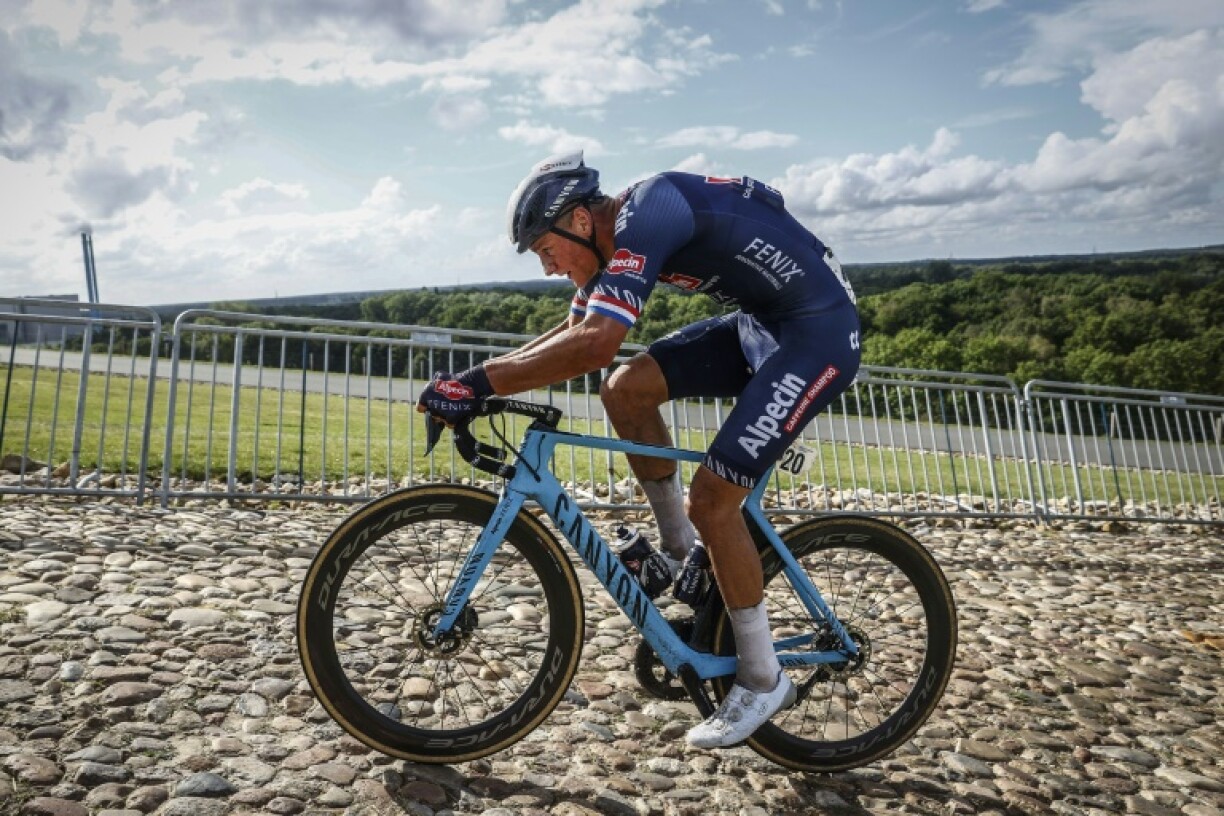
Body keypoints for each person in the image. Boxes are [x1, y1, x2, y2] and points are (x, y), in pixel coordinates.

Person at [417, 151, 861, 749]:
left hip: (816, 333)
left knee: (714, 501)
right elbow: (574, 333)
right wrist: (473, 378)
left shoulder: (648, 213)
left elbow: (597, 343)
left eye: (546, 250)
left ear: (577, 220)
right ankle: (682, 559)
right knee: (626, 389)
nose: (548, 268)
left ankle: (762, 678)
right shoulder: (610, 241)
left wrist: (477, 386)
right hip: (763, 322)